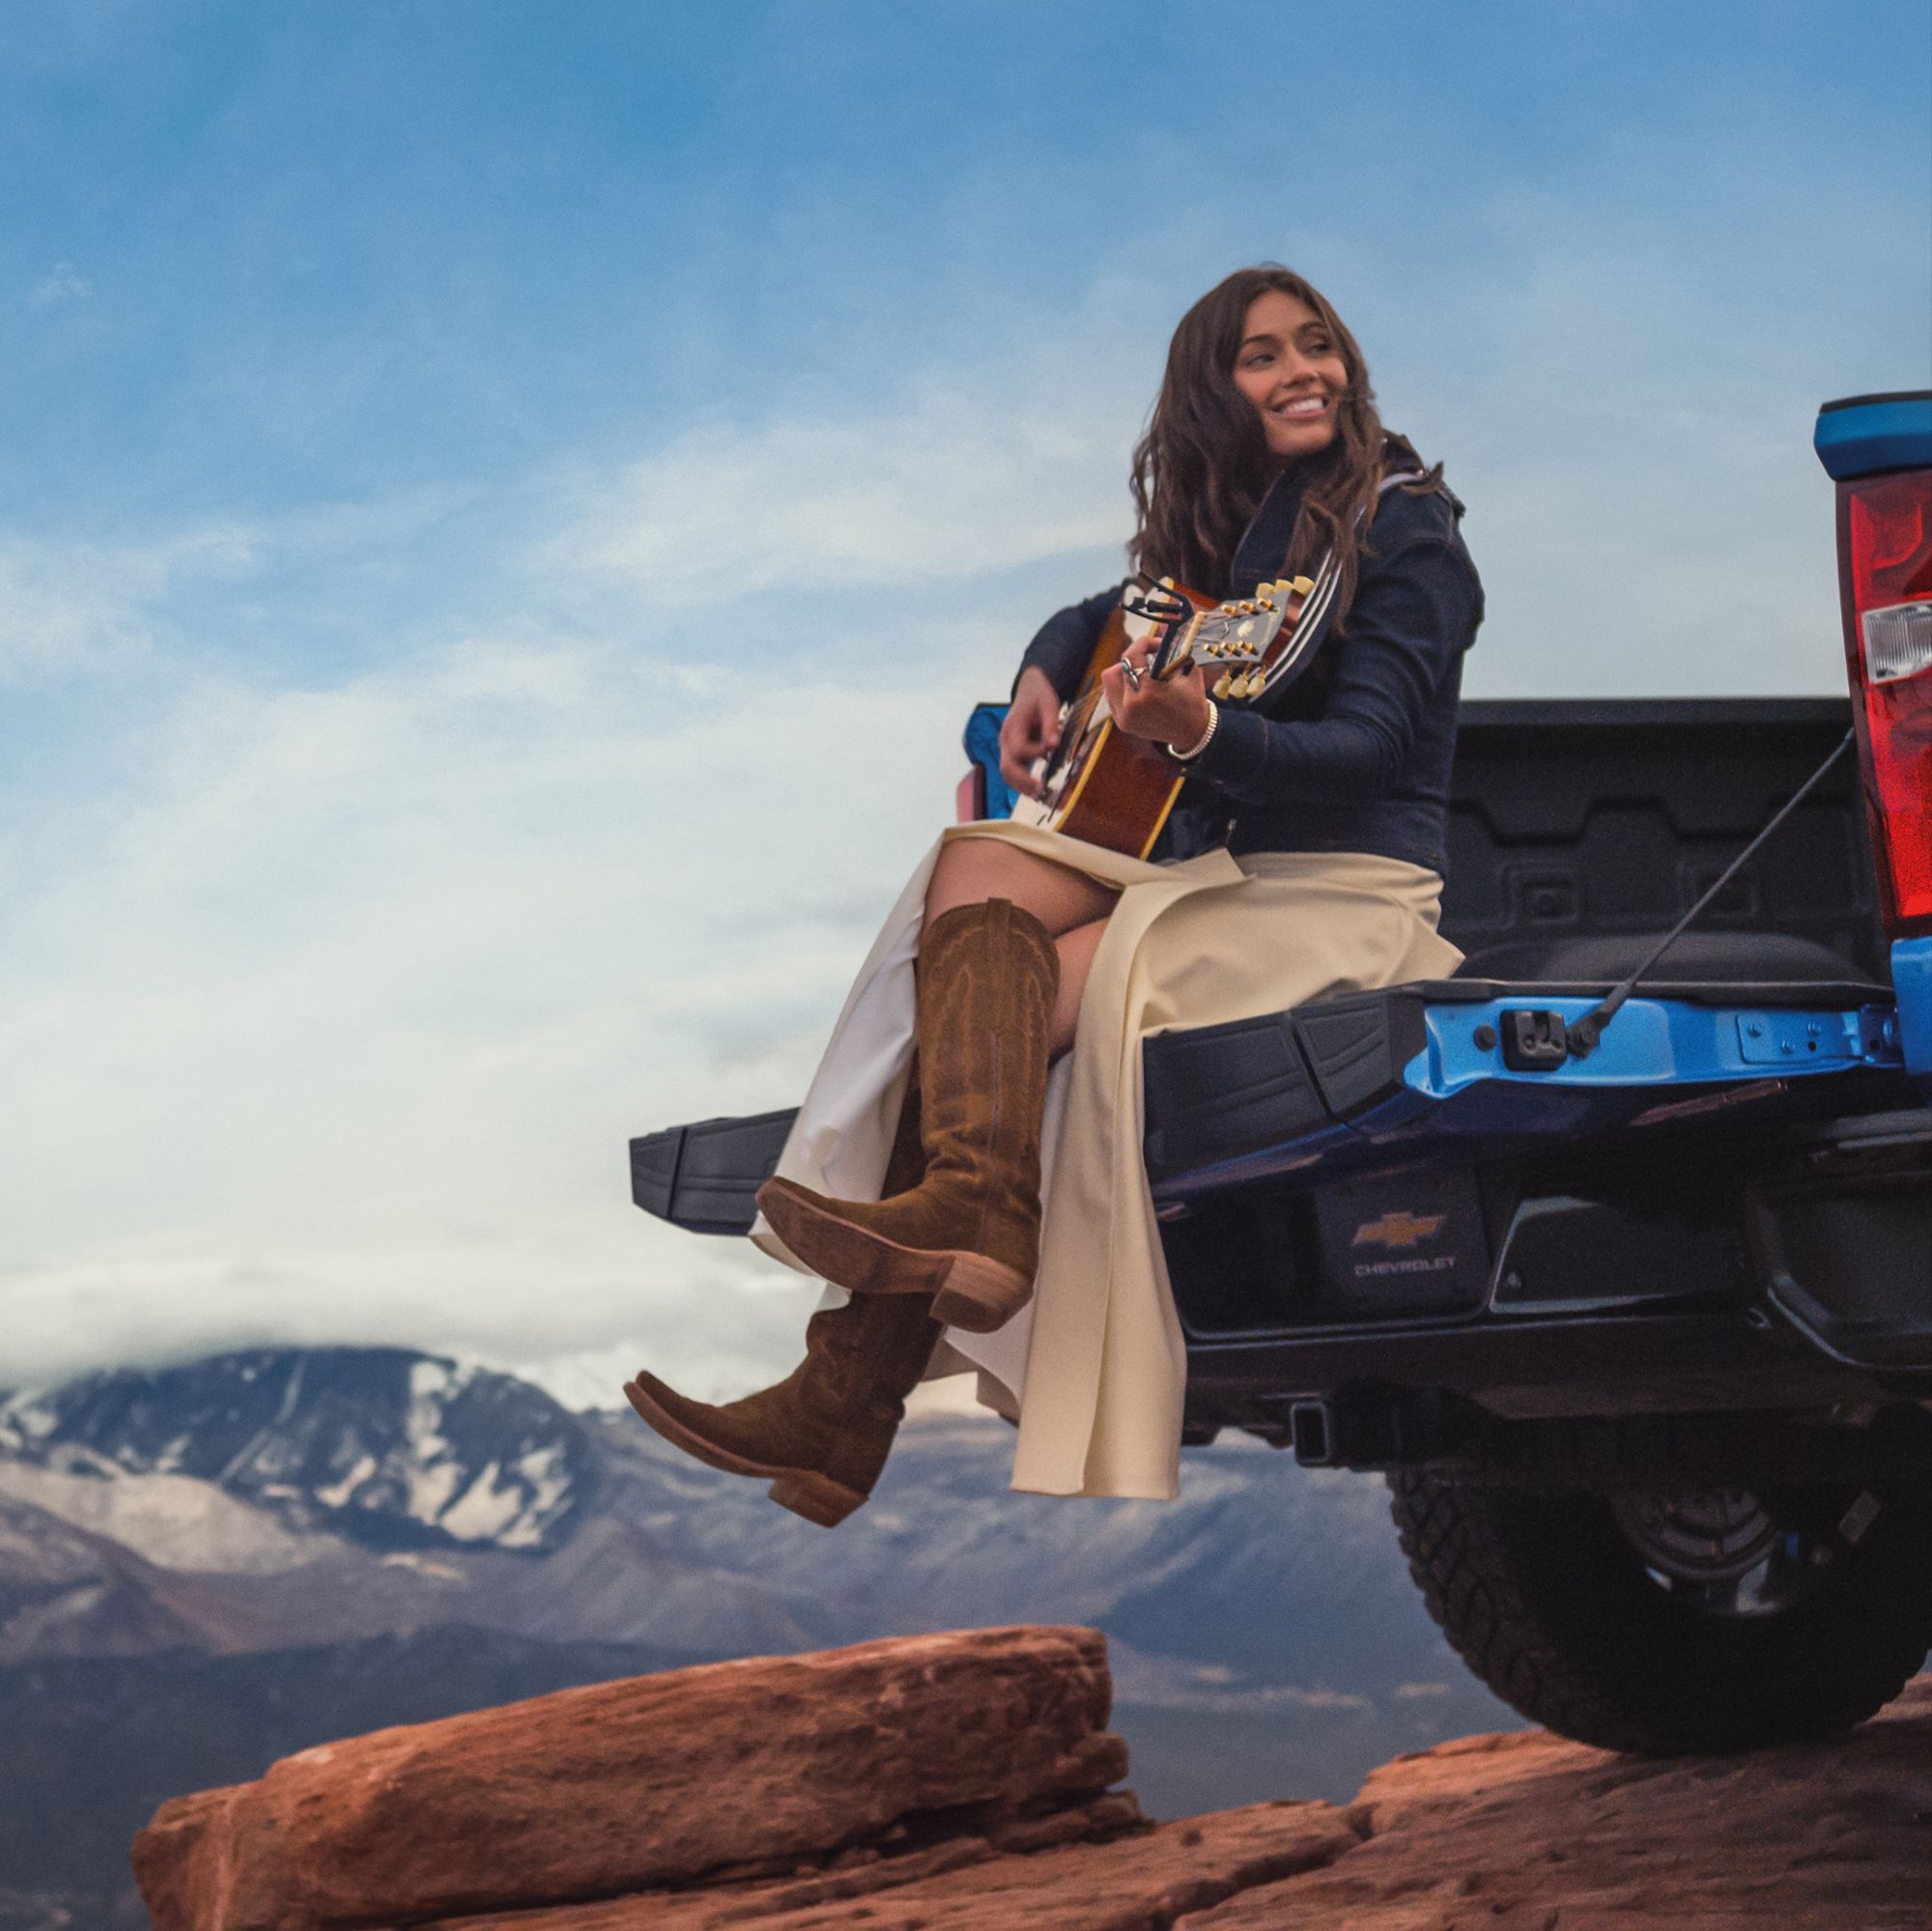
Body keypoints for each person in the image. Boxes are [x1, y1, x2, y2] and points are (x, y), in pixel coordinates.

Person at [625, 264, 1484, 1525]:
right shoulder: (1244, 533)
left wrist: (1202, 736)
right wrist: (1045, 664)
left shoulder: (1409, 534)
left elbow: (1367, 750)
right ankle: (962, 1222)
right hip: (1221, 876)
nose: (1304, 371)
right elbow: (1109, 609)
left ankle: (847, 1394)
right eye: (1262, 355)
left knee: (1018, 1009)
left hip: (1346, 894)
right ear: (1213, 392)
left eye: (1317, 345)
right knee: (970, 867)